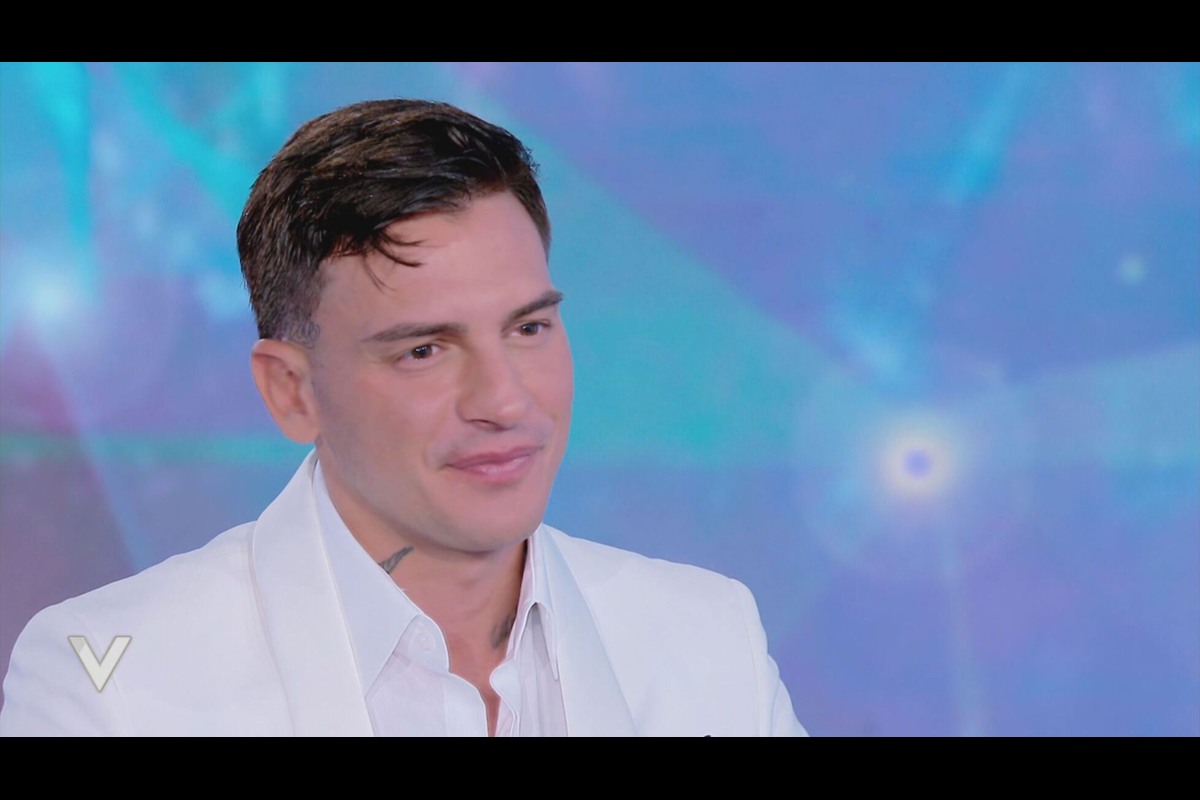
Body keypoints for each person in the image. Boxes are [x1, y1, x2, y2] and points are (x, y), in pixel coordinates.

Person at [0, 99, 807, 736]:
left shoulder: (709, 635)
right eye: (424, 350)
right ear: (292, 392)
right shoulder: (109, 685)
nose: (504, 401)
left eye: (528, 329)